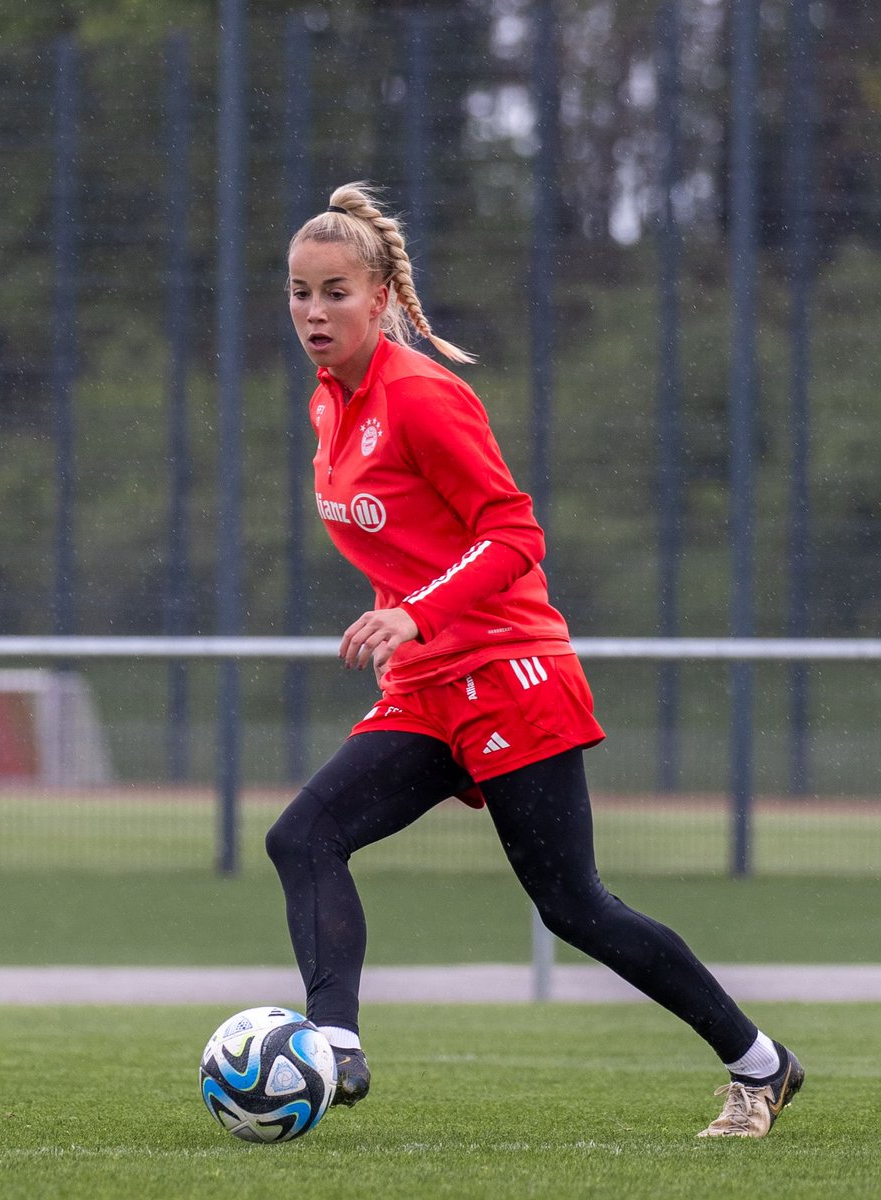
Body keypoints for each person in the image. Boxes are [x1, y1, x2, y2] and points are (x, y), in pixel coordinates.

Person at [266, 181, 804, 1139]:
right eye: (300, 292)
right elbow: (420, 543)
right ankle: (332, 1047)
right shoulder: (328, 405)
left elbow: (514, 533)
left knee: (573, 906)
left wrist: (418, 613)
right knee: (303, 838)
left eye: (335, 291)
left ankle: (761, 1065)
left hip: (513, 672)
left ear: (382, 295)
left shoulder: (423, 396)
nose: (314, 311)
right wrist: (406, 616)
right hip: (432, 684)